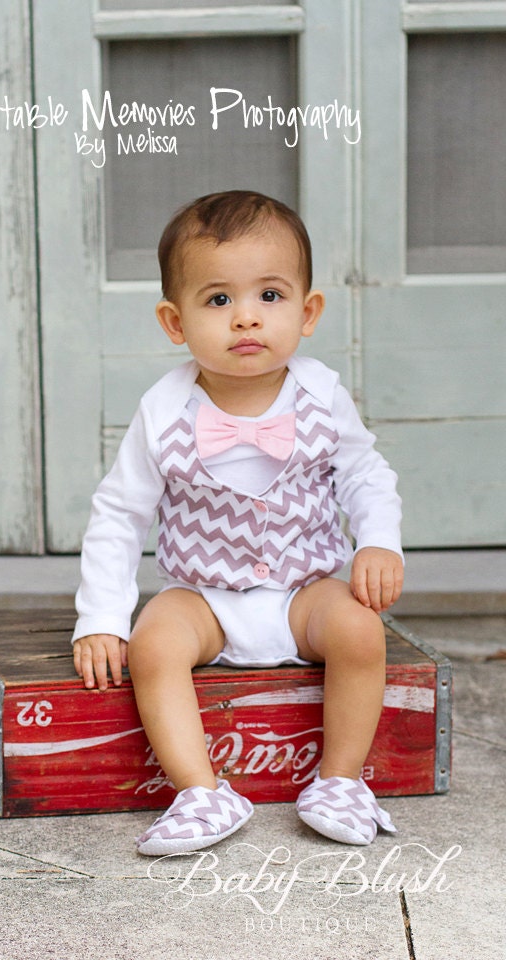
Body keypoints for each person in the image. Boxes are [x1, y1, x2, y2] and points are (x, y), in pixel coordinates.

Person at [72, 190, 403, 855]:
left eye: (270, 297)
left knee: (361, 631)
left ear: (308, 312)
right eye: (218, 300)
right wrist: (102, 618)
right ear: (175, 321)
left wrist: (378, 542)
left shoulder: (321, 395)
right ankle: (201, 791)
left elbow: (367, 476)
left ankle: (338, 780)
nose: (246, 318)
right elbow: (119, 513)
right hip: (206, 599)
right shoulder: (164, 410)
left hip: (302, 594)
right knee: (154, 644)